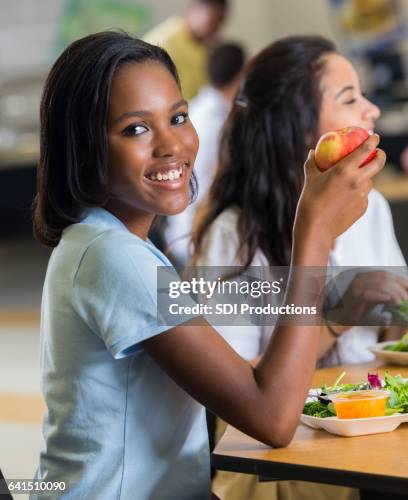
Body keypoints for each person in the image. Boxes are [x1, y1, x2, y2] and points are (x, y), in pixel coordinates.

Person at [31, 31, 384, 500]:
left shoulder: (112, 246)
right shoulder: (112, 258)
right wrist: (313, 238)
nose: (172, 145)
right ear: (82, 146)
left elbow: (242, 380)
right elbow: (272, 417)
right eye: (136, 128)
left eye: (178, 117)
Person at [191, 35, 407, 500]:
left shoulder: (374, 210)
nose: (370, 111)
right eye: (349, 99)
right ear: (298, 127)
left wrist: (396, 315)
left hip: (373, 449)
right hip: (285, 473)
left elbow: (392, 341)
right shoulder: (235, 233)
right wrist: (340, 314)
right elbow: (237, 389)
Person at [164, 41, 246, 266]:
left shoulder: (198, 108)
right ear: (241, 74)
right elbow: (205, 190)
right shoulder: (217, 122)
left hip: (183, 234)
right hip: (195, 240)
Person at [144, 0, 229, 101]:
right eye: (213, 20)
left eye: (221, 22)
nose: (216, 28)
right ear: (195, 9)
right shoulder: (163, 42)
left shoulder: (207, 48)